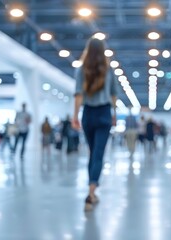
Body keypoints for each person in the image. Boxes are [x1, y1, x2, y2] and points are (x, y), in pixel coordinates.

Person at [72, 37, 119, 211]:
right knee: (98, 153)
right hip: (104, 113)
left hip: (88, 114)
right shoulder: (108, 69)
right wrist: (114, 114)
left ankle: (91, 191)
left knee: (92, 153)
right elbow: (114, 94)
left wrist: (75, 115)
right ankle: (92, 193)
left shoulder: (81, 69)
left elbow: (78, 95)